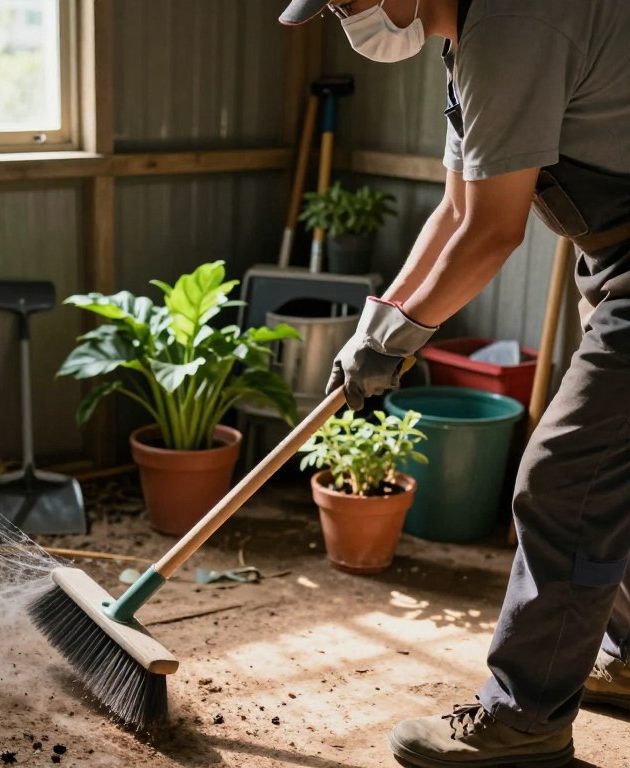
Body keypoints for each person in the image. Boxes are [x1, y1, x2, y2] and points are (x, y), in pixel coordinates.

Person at [278, 1, 630, 766]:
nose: (350, 15)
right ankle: (628, 656)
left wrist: (404, 340)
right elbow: (455, 209)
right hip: (611, 257)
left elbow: (493, 231)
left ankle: (525, 719)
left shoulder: (513, 24)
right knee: (609, 468)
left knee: (568, 477)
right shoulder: (468, 44)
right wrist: (378, 328)